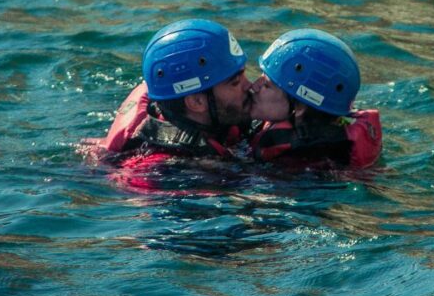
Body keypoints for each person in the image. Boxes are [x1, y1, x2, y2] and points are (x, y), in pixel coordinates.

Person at [82, 19, 253, 189]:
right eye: (235, 83)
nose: (250, 85)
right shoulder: (160, 169)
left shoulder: (218, 119)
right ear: (197, 101)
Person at [248, 28, 382, 169]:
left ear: (299, 107)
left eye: (267, 85)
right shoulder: (329, 127)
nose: (254, 86)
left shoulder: (301, 162)